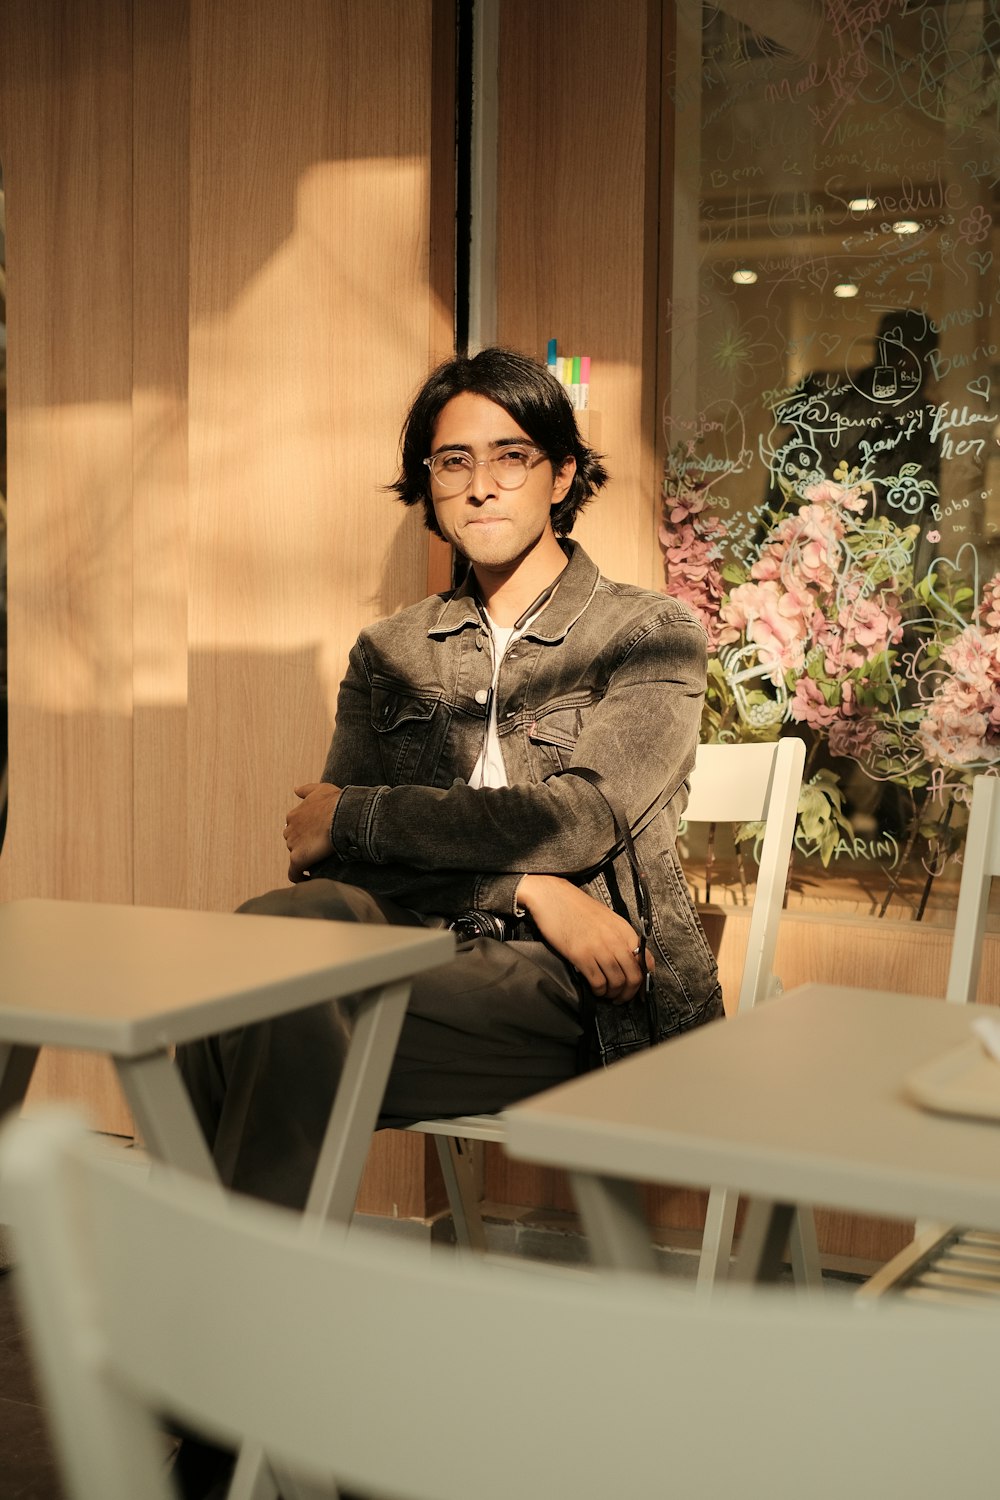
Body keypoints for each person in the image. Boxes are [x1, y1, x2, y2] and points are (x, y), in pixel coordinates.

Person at [177, 347, 722, 1212]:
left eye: (511, 456)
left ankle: (219, 1310)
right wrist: (528, 887)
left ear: (561, 475)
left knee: (244, 1008)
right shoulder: (389, 649)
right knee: (276, 937)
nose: (480, 485)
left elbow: (578, 820)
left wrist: (360, 815)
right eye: (453, 460)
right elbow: (337, 863)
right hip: (418, 945)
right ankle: (246, 1306)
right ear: (428, 483)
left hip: (579, 986)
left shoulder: (648, 633)